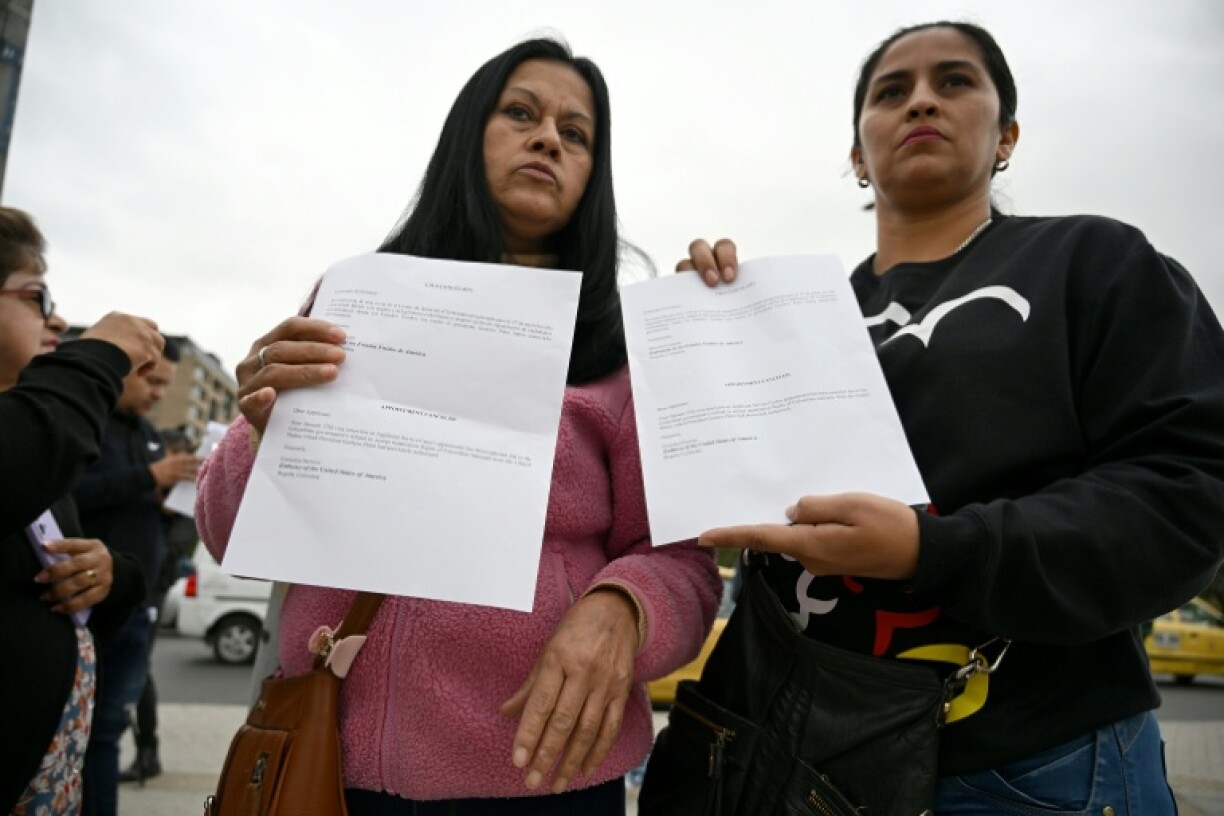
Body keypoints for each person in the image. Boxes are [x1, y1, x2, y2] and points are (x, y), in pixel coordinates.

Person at [671, 21, 1224, 815]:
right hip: (791, 758)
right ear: (858, 155)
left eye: (955, 81)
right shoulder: (797, 317)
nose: (921, 99)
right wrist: (699, 334)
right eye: (891, 92)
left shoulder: (1098, 263)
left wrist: (934, 550)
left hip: (1031, 766)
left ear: (1007, 134)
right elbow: (711, 504)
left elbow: (1187, 496)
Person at [195, 37, 721, 815]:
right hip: (331, 768)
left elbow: (683, 559)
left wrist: (624, 606)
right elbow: (225, 534)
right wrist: (262, 433)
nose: (548, 137)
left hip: (547, 777)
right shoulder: (350, 299)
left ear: (592, 174)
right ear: (468, 133)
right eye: (521, 114)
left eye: (575, 133)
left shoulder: (623, 343)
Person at [0, 205, 164, 814]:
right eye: (36, 297)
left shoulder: (40, 434)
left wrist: (110, 574)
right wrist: (98, 354)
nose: (59, 319)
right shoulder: (40, 433)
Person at [73, 337, 202, 816]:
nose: (156, 392)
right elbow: (76, 494)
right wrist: (151, 477)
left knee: (107, 729)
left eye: (165, 384)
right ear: (123, 369)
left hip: (139, 604)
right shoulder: (89, 424)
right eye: (151, 380)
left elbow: (141, 509)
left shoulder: (149, 433)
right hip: (87, 607)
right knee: (76, 732)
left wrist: (173, 501)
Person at [117, 427, 200, 784]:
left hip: (149, 594)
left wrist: (164, 518)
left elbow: (179, 549)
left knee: (138, 673)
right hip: (129, 591)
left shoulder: (185, 500)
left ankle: (148, 750)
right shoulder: (149, 492)